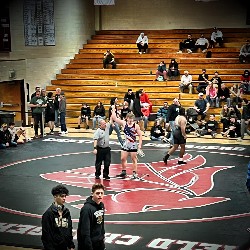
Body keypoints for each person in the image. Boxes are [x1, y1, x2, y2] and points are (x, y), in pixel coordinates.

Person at [111, 109, 143, 179]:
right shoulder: (124, 123)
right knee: (123, 158)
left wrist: (140, 145)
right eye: (129, 118)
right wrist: (113, 110)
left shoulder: (136, 126)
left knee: (133, 159)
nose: (131, 120)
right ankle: (124, 172)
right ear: (127, 118)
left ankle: (134, 173)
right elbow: (115, 118)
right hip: (126, 144)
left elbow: (140, 135)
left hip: (133, 144)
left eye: (132, 118)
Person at [41, 184, 75, 250]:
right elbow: (46, 236)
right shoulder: (48, 214)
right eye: (62, 196)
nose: (64, 198)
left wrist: (71, 245)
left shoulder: (66, 212)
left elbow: (69, 230)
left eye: (65, 196)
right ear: (55, 196)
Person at [77, 183, 106, 250]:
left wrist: (102, 242)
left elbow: (101, 225)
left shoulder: (101, 205)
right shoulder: (86, 209)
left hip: (99, 243)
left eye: (102, 193)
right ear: (92, 194)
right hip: (89, 245)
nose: (100, 195)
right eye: (97, 193)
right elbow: (85, 232)